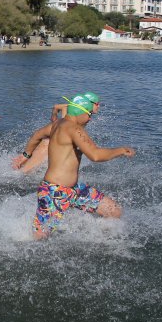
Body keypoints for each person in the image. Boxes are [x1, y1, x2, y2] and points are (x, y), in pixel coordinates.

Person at [19, 94, 134, 239]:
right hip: (54, 191)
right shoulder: (73, 129)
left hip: (75, 190)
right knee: (40, 236)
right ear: (80, 112)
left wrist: (26, 154)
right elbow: (95, 155)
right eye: (89, 114)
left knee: (114, 211)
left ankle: (99, 241)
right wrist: (121, 150)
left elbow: (37, 135)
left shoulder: (58, 124)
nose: (90, 118)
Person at [12, 92, 101, 173]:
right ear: (90, 103)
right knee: (25, 172)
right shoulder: (72, 109)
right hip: (47, 143)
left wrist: (54, 117)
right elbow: (57, 107)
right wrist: (54, 117)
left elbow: (57, 107)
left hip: (55, 142)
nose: (99, 106)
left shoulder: (83, 114)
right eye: (97, 104)